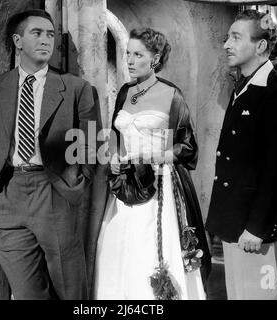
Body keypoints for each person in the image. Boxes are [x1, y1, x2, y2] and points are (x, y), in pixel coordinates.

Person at [0, 9, 99, 299]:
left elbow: (92, 145)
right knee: (27, 293)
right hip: (8, 195)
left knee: (71, 291)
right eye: (37, 33)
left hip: (53, 192)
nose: (46, 40)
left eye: (50, 34)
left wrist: (76, 182)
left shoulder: (77, 89)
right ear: (18, 40)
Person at [94, 28, 211, 300]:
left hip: (159, 185)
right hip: (126, 184)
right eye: (128, 54)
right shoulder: (125, 91)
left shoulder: (172, 95)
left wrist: (159, 156)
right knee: (116, 244)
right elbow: (115, 133)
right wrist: (113, 156)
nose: (130, 60)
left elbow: (188, 146)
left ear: (155, 58)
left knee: (151, 248)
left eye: (138, 54)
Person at [206, 10, 277, 300]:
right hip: (235, 221)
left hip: (253, 231)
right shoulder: (243, 86)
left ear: (261, 46)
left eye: (236, 37)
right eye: (227, 37)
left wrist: (257, 227)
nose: (226, 44)